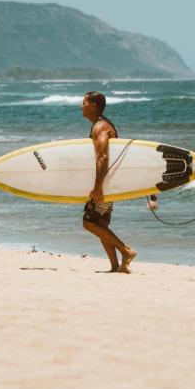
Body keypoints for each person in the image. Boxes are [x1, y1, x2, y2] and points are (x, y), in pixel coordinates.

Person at [81, 91, 137, 273]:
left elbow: (103, 157)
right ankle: (115, 265)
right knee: (101, 225)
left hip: (104, 184)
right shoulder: (102, 125)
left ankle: (126, 251)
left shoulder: (101, 127)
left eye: (84, 103)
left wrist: (98, 187)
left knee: (89, 223)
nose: (82, 106)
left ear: (94, 105)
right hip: (109, 183)